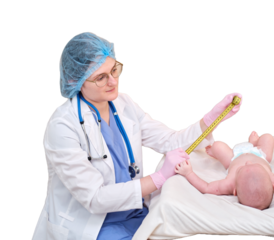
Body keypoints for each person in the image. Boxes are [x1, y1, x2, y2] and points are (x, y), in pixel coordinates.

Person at [32, 30, 243, 240]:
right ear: (75, 81)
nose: (113, 82)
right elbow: (95, 198)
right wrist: (158, 177)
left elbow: (170, 141)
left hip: (136, 212)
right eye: (100, 77)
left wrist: (211, 119)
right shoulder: (62, 125)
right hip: (92, 226)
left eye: (114, 70)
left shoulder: (124, 103)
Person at [175, 129, 274, 210]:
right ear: (273, 185)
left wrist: (189, 173)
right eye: (254, 165)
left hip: (234, 158)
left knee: (218, 145)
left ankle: (217, 153)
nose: (248, 162)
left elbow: (206, 187)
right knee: (268, 136)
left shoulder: (230, 183)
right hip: (260, 155)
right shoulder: (273, 180)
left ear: (235, 190)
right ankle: (255, 144)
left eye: (241, 170)